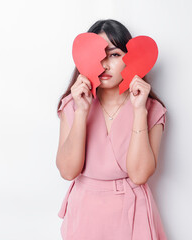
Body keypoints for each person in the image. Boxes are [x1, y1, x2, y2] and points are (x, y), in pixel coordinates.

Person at [56, 19, 168, 240]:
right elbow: (68, 171)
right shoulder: (72, 105)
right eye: (98, 54)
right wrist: (81, 111)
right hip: (85, 216)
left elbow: (139, 175)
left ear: (131, 58)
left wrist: (139, 111)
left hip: (133, 215)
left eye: (114, 54)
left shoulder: (152, 109)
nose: (105, 64)